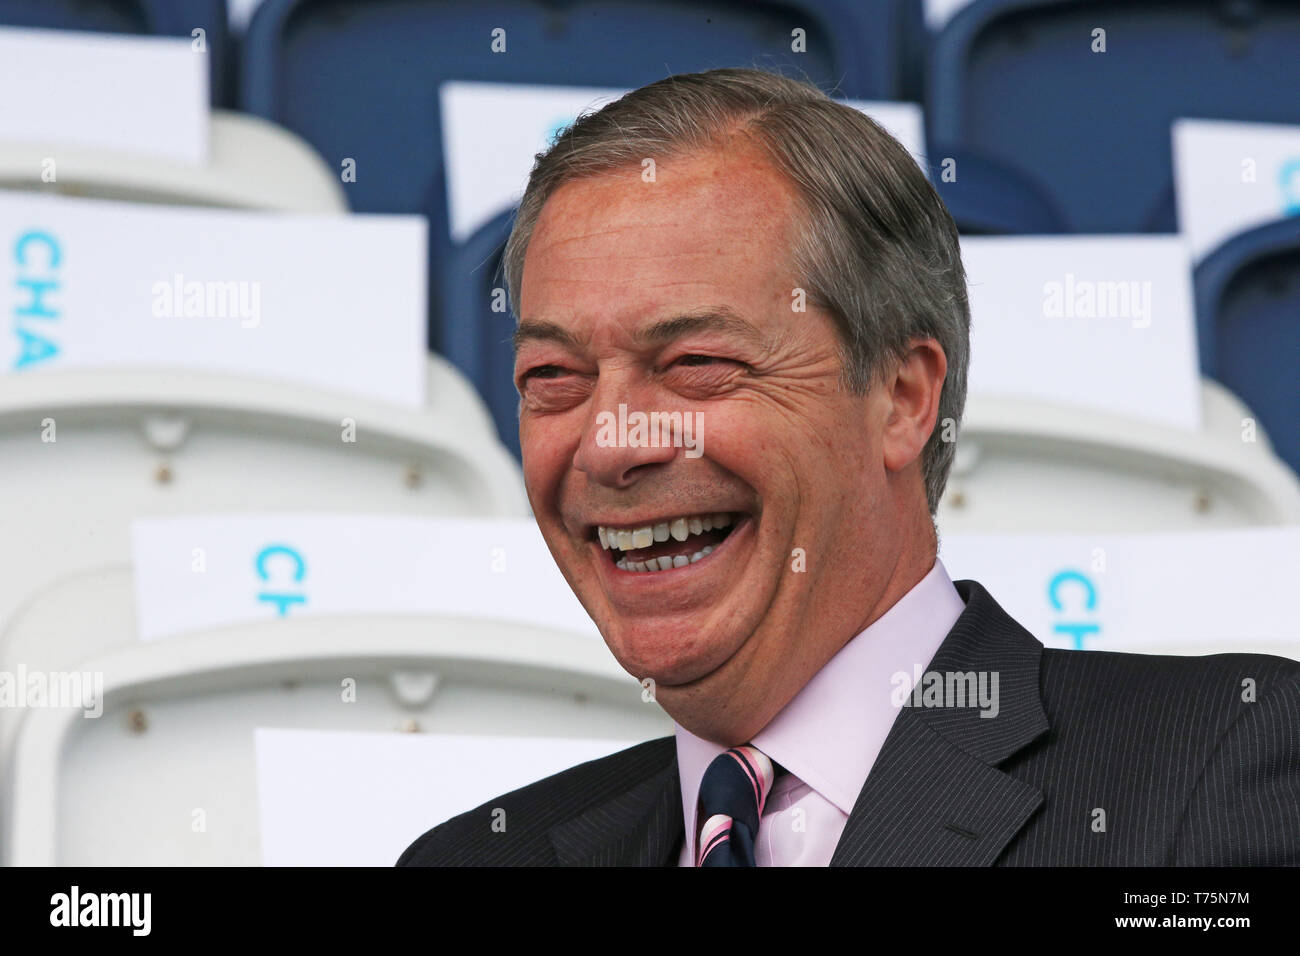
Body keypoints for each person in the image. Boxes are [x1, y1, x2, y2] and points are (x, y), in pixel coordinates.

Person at [399, 68, 1300, 866]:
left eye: (697, 365)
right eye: (552, 377)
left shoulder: (1218, 768)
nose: (609, 443)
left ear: (903, 398)